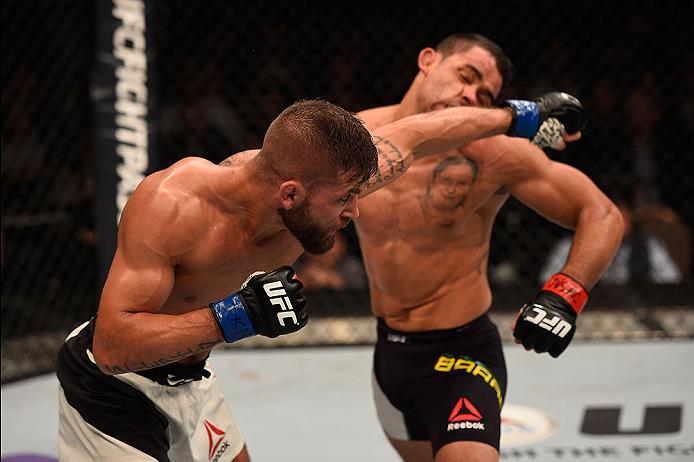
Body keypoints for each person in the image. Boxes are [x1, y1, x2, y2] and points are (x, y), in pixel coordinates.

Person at [56, 93, 577, 461]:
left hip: (191, 379)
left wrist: (520, 116)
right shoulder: (174, 205)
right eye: (344, 200)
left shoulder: (321, 184)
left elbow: (419, 133)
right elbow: (112, 346)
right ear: (290, 194)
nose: (355, 211)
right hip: (111, 393)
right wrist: (236, 316)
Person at [353, 33, 625, 462]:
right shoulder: (354, 139)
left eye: (485, 95)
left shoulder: (494, 154)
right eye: (466, 76)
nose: (469, 95)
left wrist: (564, 294)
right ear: (427, 61)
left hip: (463, 355)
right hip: (390, 353)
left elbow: (601, 212)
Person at [542, 199, 682, 285]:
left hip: (639, 305)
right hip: (588, 308)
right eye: (610, 215)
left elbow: (672, 280)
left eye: (623, 215)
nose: (617, 222)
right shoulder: (569, 245)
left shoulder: (648, 246)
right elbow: (546, 281)